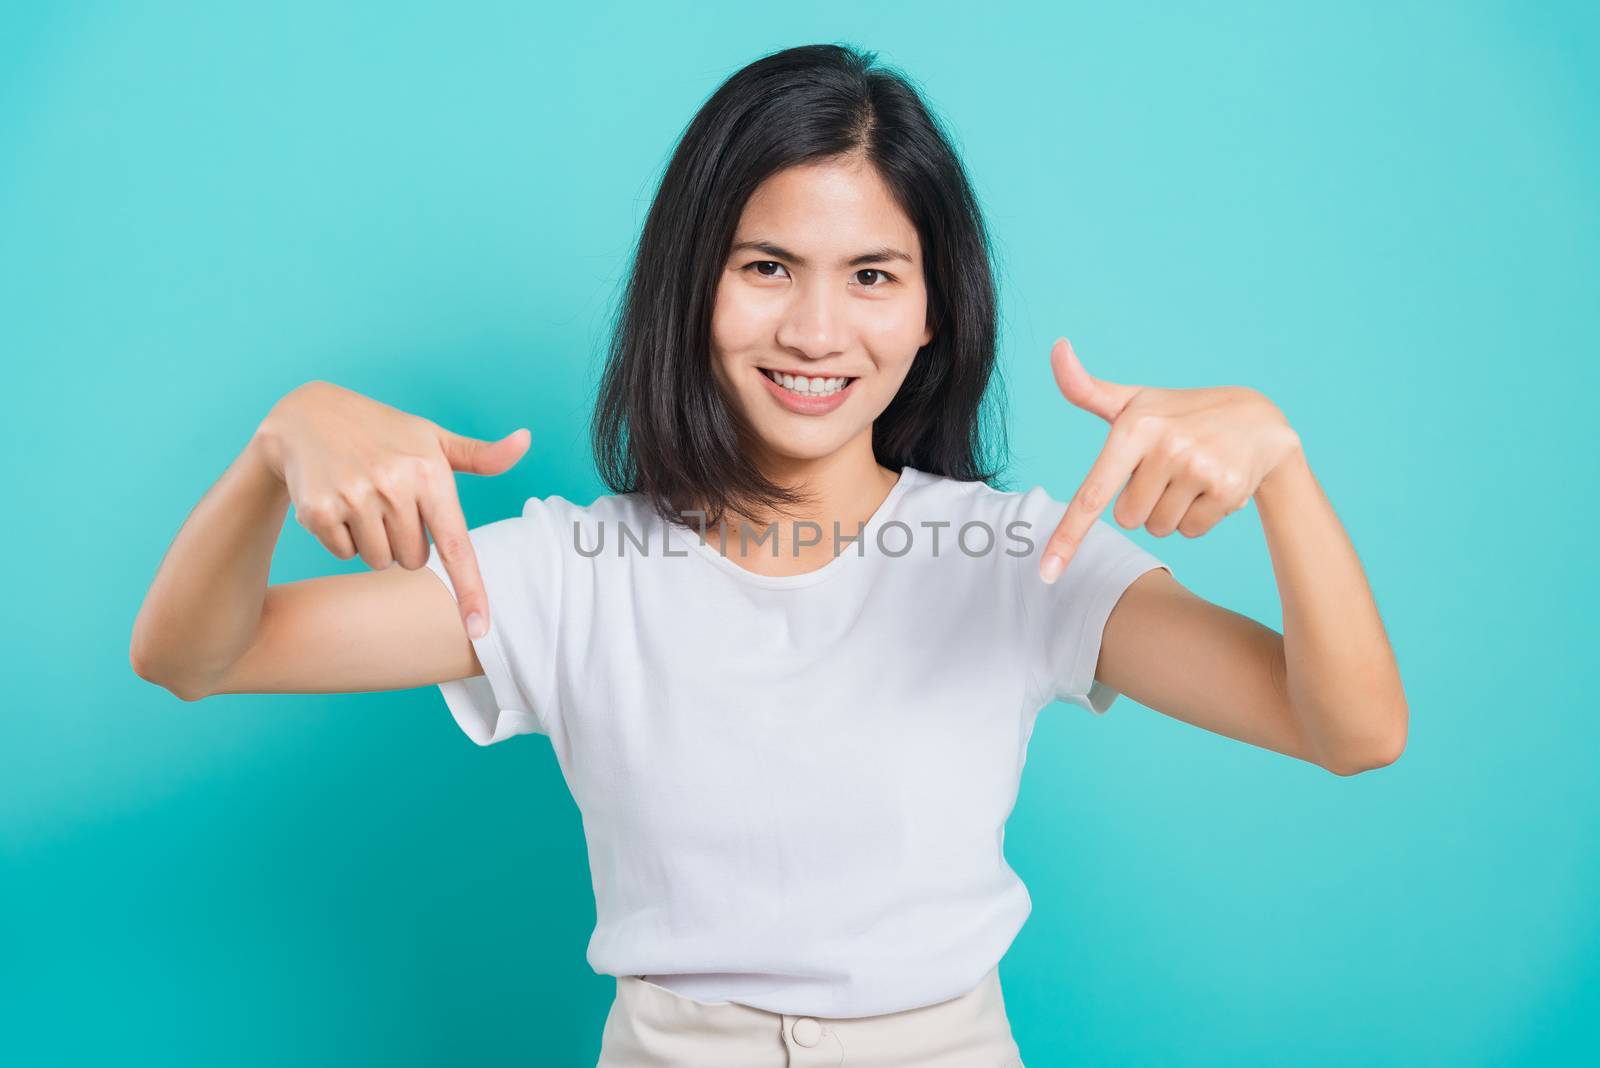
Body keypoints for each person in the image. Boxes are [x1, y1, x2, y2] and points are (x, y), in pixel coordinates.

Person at [130, 42, 1407, 1068]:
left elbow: (1348, 728)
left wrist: (1282, 471)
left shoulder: (1020, 557)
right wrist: (271, 450)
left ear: (930, 315)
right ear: (692, 288)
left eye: (870, 275)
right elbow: (199, 656)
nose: (813, 327)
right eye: (764, 266)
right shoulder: (567, 575)